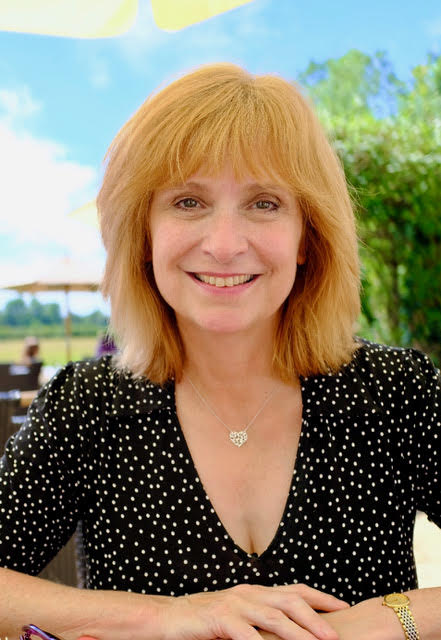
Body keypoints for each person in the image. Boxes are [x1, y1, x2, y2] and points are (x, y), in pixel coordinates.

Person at [0, 63, 440, 640]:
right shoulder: (87, 406)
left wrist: (384, 620)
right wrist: (168, 615)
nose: (226, 245)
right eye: (188, 202)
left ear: (307, 236)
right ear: (143, 235)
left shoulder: (396, 391)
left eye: (264, 203)